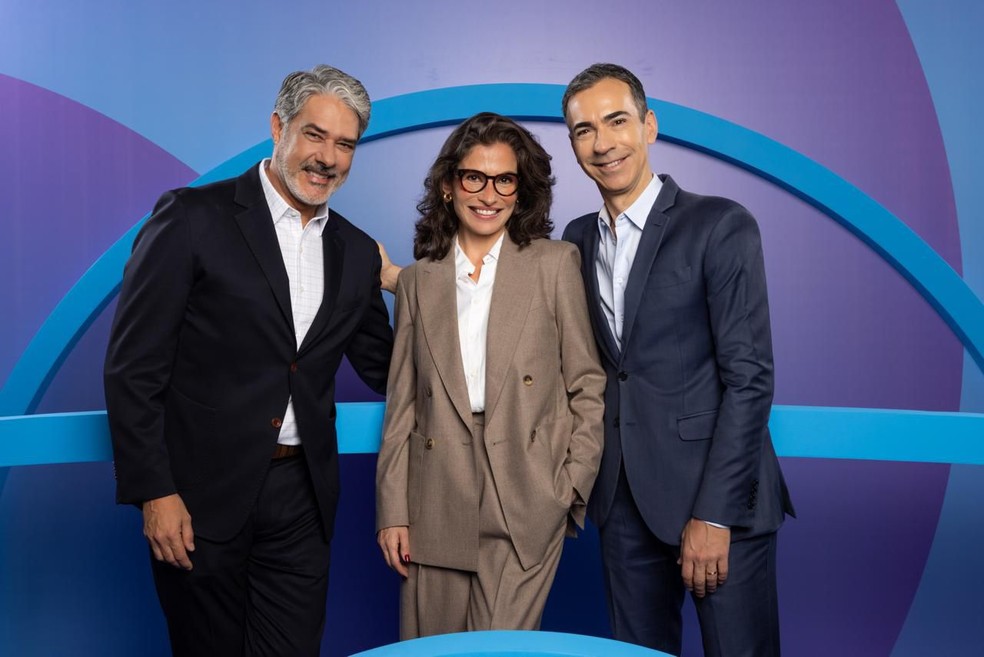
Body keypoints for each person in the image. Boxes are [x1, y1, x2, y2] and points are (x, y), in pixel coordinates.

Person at [104, 65, 393, 657]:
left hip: (302, 500)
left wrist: (416, 286)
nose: (328, 158)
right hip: (197, 497)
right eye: (315, 135)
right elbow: (133, 366)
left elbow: (389, 367)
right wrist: (154, 492)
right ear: (278, 126)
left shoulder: (358, 251)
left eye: (345, 144)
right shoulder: (190, 217)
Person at [560, 63, 795, 657]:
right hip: (622, 501)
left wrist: (715, 516)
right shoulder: (576, 238)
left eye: (617, 121)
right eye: (584, 130)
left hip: (718, 505)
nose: (603, 142)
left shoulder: (718, 224)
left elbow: (750, 380)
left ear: (649, 126)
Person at [375, 112, 605, 638]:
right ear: (450, 186)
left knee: (499, 649)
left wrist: (568, 488)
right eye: (474, 177)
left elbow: (587, 384)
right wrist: (391, 511)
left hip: (527, 491)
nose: (489, 193)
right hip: (434, 493)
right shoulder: (418, 281)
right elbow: (402, 405)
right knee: (430, 652)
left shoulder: (554, 263)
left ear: (521, 191)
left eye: (505, 179)